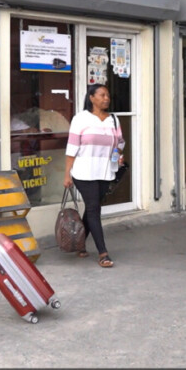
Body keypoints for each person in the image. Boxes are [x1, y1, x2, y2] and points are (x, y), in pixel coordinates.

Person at [64, 84, 124, 269]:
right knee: (93, 209)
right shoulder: (80, 119)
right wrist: (67, 173)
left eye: (107, 95)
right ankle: (103, 253)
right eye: (102, 95)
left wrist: (120, 155)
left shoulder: (113, 119)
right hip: (84, 171)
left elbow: (120, 142)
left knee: (92, 209)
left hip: (105, 172)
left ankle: (80, 243)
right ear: (91, 97)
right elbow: (72, 147)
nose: (106, 98)